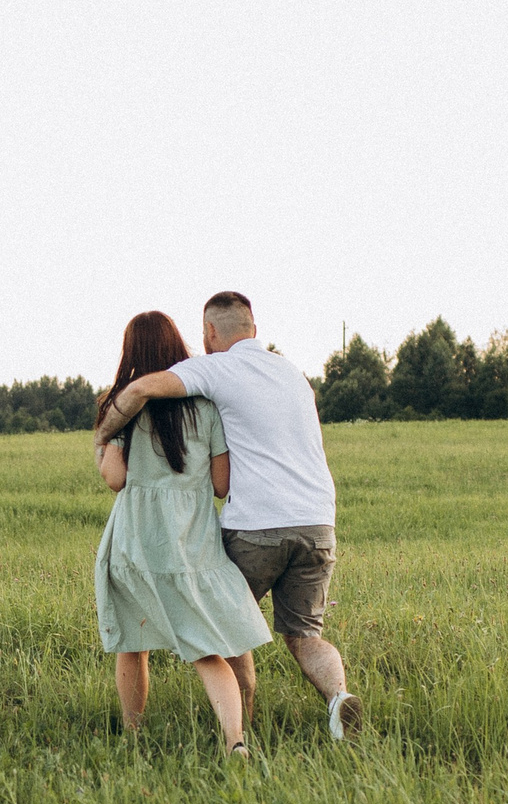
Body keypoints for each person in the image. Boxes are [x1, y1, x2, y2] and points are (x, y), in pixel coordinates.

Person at [94, 290, 361, 739]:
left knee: (226, 627)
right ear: (254, 329)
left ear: (211, 333)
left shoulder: (215, 368)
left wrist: (103, 433)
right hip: (318, 523)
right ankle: (338, 696)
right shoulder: (294, 374)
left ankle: (242, 729)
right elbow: (227, 471)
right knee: (304, 635)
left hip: (256, 527)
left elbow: (140, 390)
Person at [93, 311, 270, 753]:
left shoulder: (125, 403)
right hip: (194, 537)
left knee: (133, 642)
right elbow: (221, 484)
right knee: (207, 645)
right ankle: (235, 739)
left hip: (137, 536)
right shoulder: (205, 404)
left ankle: (133, 737)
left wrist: (101, 445)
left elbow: (115, 479)